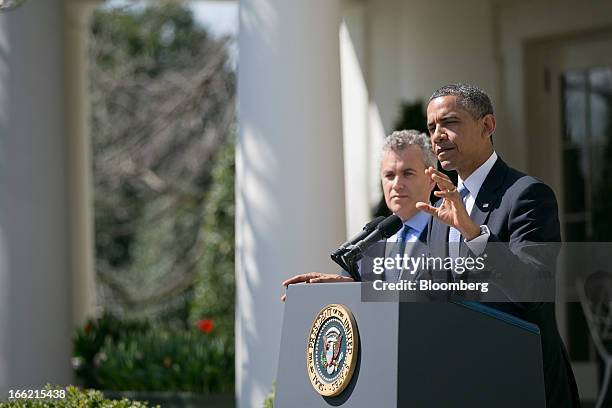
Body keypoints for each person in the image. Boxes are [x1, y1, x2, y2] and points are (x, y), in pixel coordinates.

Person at [416, 83, 580, 407]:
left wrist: (475, 235)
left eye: (449, 122)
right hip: (462, 383)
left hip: (522, 381)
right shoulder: (441, 207)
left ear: (487, 126)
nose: (437, 135)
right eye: (432, 127)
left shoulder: (528, 195)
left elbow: (533, 288)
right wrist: (353, 280)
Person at [281, 130, 436, 294]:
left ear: (432, 179)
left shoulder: (450, 233)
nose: (397, 184)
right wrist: (329, 290)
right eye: (389, 175)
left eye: (407, 173)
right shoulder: (369, 240)